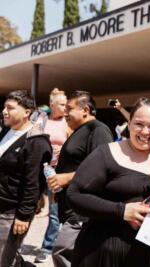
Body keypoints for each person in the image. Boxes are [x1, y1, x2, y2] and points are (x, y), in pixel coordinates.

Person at [66, 97, 150, 267]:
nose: (145, 132)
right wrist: (121, 210)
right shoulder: (107, 153)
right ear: (129, 122)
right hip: (101, 252)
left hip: (147, 256)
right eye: (139, 124)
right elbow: (74, 195)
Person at [48, 91, 113, 267]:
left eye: (69, 109)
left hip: (83, 209)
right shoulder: (79, 131)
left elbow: (104, 168)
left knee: (62, 251)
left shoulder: (98, 130)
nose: (65, 113)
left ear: (85, 110)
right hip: (70, 205)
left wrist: (66, 178)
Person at [0, 90, 52, 266]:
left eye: (10, 108)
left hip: (10, 212)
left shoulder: (36, 141)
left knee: (3, 259)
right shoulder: (7, 131)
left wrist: (23, 216)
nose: (4, 111)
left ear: (27, 112)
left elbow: (33, 183)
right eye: (4, 107)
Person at [35, 88, 70, 263]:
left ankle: (53, 246)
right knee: (54, 213)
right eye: (62, 104)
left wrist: (62, 149)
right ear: (52, 105)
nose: (66, 108)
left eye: (66, 104)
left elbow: (75, 147)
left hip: (64, 170)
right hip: (46, 168)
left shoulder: (69, 122)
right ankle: (47, 247)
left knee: (60, 212)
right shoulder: (42, 121)